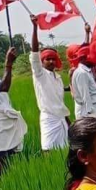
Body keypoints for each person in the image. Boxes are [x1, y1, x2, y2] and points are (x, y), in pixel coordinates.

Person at [30, 17, 70, 150]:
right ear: (42, 61)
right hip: (49, 119)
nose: (51, 62)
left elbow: (60, 103)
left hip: (61, 119)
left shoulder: (57, 77)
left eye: (53, 59)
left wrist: (68, 122)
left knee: (64, 149)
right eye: (48, 59)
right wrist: (35, 28)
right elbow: (35, 52)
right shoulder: (40, 74)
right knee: (48, 149)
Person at [0, 48, 27, 174]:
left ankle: (4, 188)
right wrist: (8, 64)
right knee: (0, 161)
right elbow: (3, 87)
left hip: (2, 125)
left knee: (4, 161)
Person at [71, 46, 96, 118]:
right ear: (83, 58)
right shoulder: (82, 73)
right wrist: (91, 114)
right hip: (94, 112)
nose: (94, 59)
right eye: (91, 57)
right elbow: (85, 96)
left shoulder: (87, 71)